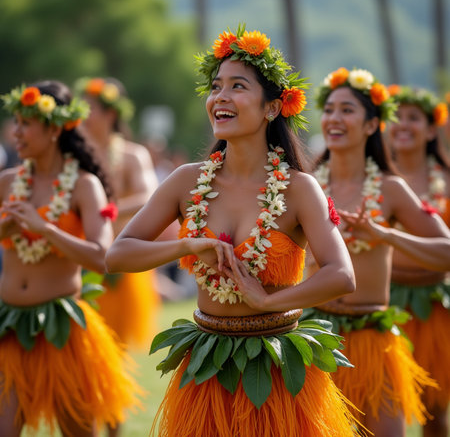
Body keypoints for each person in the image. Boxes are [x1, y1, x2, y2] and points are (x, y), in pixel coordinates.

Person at [106, 25, 362, 437]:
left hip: (279, 365)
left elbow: (341, 274)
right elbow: (118, 256)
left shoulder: (298, 188)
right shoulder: (186, 182)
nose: (220, 97)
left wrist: (265, 300)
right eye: (215, 86)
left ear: (272, 108)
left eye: (237, 86)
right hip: (208, 363)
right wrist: (187, 244)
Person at [305, 67, 450, 436]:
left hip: (374, 340)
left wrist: (387, 235)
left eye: (347, 110)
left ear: (372, 126)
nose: (335, 118)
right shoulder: (303, 185)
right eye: (330, 109)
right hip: (316, 338)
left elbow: (445, 250)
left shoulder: (390, 188)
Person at [0, 81, 140, 437]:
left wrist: (43, 227)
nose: (14, 132)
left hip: (63, 330)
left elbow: (103, 256)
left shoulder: (83, 185)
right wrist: (7, 228)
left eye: (24, 123)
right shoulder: (7, 182)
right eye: (14, 122)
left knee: (78, 431)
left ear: (53, 129)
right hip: (11, 329)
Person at [75, 76, 161, 351]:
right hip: (82, 256)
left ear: (110, 113)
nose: (82, 117)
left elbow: (150, 196)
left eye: (89, 109)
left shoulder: (131, 155)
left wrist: (106, 212)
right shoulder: (73, 157)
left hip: (121, 261)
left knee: (116, 344)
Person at [386, 85, 450, 437]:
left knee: (435, 416)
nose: (404, 125)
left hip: (435, 311)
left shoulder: (447, 180)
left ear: (430, 130)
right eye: (398, 117)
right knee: (380, 411)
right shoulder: (376, 179)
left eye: (414, 118)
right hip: (386, 302)